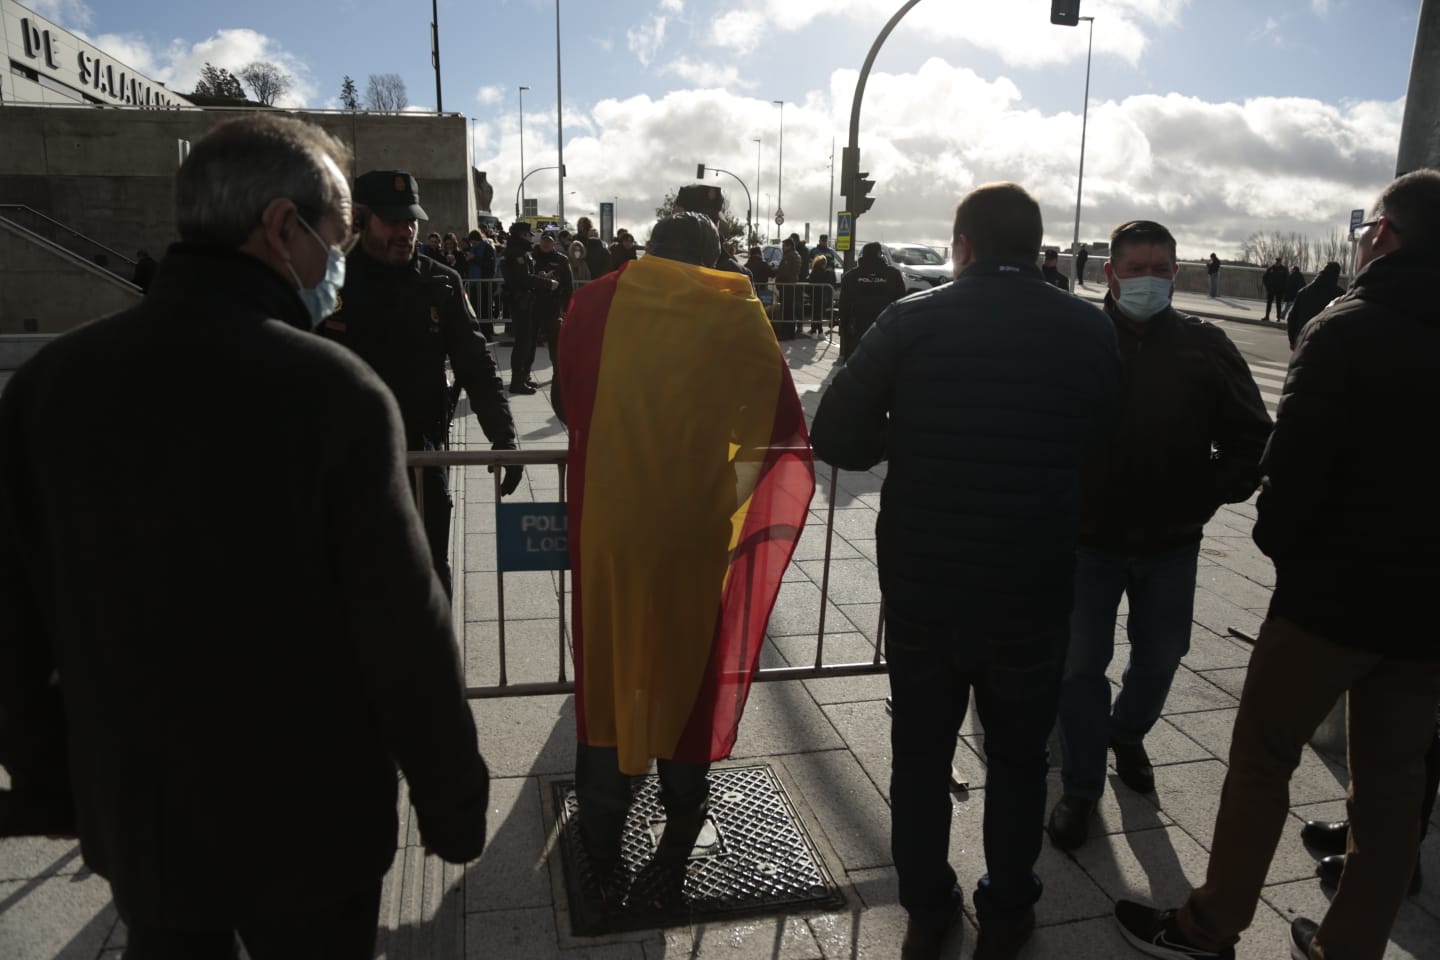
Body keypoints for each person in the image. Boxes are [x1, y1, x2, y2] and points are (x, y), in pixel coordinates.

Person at [0, 114, 490, 959]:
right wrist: (452, 802)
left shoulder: (47, 389)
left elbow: (13, 624)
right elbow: (401, 626)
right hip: (312, 824)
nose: (334, 259)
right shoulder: (331, 394)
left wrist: (49, 785)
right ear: (280, 226)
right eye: (333, 236)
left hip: (142, 817)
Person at [1114, 169, 1440, 960]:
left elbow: (1290, 474)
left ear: (1383, 235)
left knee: (1262, 761)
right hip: (1429, 613)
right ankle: (1348, 946)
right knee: (1393, 787)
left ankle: (1209, 925)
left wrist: (1284, 551)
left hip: (1330, 600)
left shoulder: (1347, 326)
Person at [811, 183, 1121, 960]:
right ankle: (1009, 909)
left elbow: (837, 435)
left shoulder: (913, 320)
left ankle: (927, 904)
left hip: (924, 588)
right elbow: (1109, 449)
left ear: (964, 245)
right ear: (1037, 245)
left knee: (919, 755)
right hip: (1033, 589)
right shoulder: (1086, 329)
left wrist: (909, 430)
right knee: (1020, 759)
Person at [556, 211, 814, 883]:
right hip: (694, 529)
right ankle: (680, 829)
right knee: (686, 665)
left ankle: (604, 832)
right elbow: (772, 425)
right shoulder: (734, 310)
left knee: (612, 666)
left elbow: (565, 399)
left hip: (609, 526)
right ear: (713, 256)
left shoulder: (593, 302)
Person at [1047, 220, 1271, 852]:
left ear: (1177, 273)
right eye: (1135, 268)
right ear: (1109, 272)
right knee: (1080, 666)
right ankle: (1082, 787)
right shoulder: (1077, 340)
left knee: (1163, 654)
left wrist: (1206, 492)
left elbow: (1254, 437)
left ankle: (1128, 731)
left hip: (1172, 540)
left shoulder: (1205, 346)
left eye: (1161, 269)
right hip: (1087, 540)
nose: (1149, 280)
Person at [319, 169, 523, 596]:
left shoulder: (440, 283)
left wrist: (504, 436)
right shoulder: (328, 282)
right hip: (347, 458)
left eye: (410, 221)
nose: (405, 231)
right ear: (360, 219)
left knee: (428, 570)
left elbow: (476, 364)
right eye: (392, 221)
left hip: (421, 452)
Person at [502, 220, 560, 395]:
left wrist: (539, 278)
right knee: (522, 343)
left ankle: (520, 379)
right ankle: (517, 382)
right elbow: (523, 279)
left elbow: (525, 277)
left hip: (523, 302)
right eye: (529, 234)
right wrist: (547, 282)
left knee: (525, 343)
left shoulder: (518, 251)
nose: (531, 237)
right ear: (522, 235)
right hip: (521, 302)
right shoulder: (517, 253)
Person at [837, 241, 905, 360]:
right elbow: (901, 302)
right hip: (885, 328)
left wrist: (843, 327)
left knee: (855, 363)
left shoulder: (851, 276)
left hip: (857, 328)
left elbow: (844, 306)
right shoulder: (893, 275)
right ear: (880, 255)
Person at [532, 230, 573, 408]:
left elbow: (568, 284)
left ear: (553, 243)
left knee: (555, 343)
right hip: (534, 306)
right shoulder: (532, 257)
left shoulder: (562, 260)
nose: (546, 244)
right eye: (544, 241)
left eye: (549, 241)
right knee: (529, 342)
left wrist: (566, 307)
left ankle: (557, 374)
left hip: (554, 307)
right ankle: (524, 374)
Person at [1285, 260, 1344, 349]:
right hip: (1327, 344)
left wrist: (1292, 340)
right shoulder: (1340, 296)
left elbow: (1292, 317)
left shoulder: (1304, 292)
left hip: (1303, 339)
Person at [465, 229, 498, 341]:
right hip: (474, 284)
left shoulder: (487, 248)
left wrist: (475, 258)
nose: (473, 244)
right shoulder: (472, 249)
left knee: (485, 309)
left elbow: (490, 264)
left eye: (474, 242)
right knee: (475, 308)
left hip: (484, 283)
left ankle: (487, 333)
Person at [774, 237, 802, 339]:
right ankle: (790, 333)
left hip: (786, 286)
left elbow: (784, 272)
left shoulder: (789, 256)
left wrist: (778, 277)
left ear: (789, 246)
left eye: (784, 246)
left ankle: (786, 333)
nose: (782, 248)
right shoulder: (796, 255)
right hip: (791, 285)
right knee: (790, 310)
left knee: (786, 311)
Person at [806, 253, 834, 336]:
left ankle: (814, 331)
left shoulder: (814, 271)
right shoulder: (825, 272)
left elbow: (810, 281)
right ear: (823, 264)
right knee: (820, 313)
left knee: (815, 313)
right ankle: (819, 331)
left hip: (814, 294)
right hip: (821, 295)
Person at [577, 216, 610, 281]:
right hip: (587, 279)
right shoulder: (581, 247)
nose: (579, 225)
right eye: (591, 236)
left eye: (594, 236)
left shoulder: (603, 250)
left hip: (595, 280)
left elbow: (608, 266)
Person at [1262, 256, 1286, 321]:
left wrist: (1283, 289)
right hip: (1271, 289)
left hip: (1279, 290)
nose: (1277, 263)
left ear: (1280, 262)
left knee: (1278, 304)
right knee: (1269, 303)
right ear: (1275, 261)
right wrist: (1268, 286)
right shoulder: (1270, 269)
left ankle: (1278, 317)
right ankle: (1267, 316)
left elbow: (1287, 280)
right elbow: (1264, 278)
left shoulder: (1284, 270)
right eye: (1276, 262)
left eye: (1279, 262)